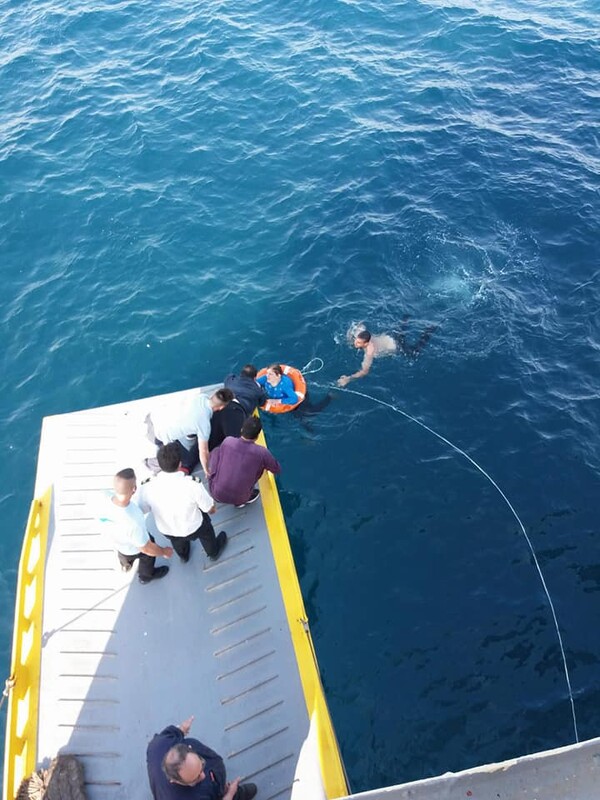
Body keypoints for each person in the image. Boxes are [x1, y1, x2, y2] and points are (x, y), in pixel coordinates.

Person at [136, 443, 228, 563]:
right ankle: (213, 552)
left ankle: (184, 556)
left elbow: (143, 509)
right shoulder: (192, 484)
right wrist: (213, 510)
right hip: (195, 526)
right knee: (207, 533)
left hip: (168, 530)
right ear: (180, 463)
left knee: (177, 541)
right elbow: (208, 508)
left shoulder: (147, 487)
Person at [147, 715, 257, 800]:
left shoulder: (157, 745)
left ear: (187, 747)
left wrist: (182, 729)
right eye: (195, 779)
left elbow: (175, 732)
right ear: (174, 781)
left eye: (201, 764)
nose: (203, 776)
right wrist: (230, 794)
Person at [97, 468, 173, 584]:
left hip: (118, 543)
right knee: (147, 556)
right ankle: (145, 577)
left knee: (123, 554)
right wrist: (163, 552)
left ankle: (126, 565)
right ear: (134, 489)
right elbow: (146, 548)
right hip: (135, 547)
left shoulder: (101, 496)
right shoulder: (133, 519)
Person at [148, 389, 234, 475]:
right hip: (160, 436)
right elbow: (203, 451)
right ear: (221, 407)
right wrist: (206, 469)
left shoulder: (201, 396)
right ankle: (155, 463)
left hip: (156, 420)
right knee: (188, 460)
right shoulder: (204, 424)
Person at [337, 318, 437, 386]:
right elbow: (360, 325)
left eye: (358, 343)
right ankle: (406, 318)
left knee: (414, 353)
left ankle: (430, 330)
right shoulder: (362, 334)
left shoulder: (370, 351)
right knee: (401, 331)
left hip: (397, 346)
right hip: (390, 336)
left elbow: (365, 371)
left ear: (366, 343)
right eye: (356, 340)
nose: (355, 343)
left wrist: (348, 379)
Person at [209, 417, 281, 507]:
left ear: (241, 429)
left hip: (216, 493)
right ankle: (241, 501)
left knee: (216, 451)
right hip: (241, 498)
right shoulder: (262, 453)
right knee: (262, 464)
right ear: (257, 436)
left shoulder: (228, 441)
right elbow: (276, 469)